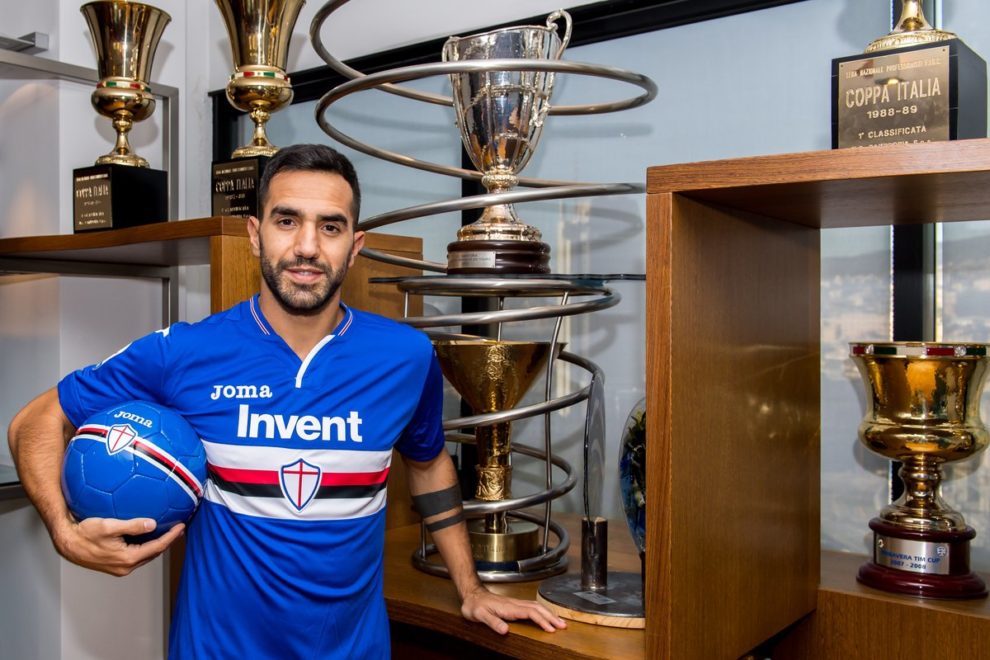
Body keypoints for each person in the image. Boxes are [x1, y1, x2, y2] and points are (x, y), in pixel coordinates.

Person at [7, 143, 566, 658]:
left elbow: (427, 461)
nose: (307, 247)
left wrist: (471, 588)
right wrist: (64, 532)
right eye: (287, 220)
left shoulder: (405, 357)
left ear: (355, 245)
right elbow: (35, 420)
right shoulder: (184, 352)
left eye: (330, 226)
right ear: (255, 234)